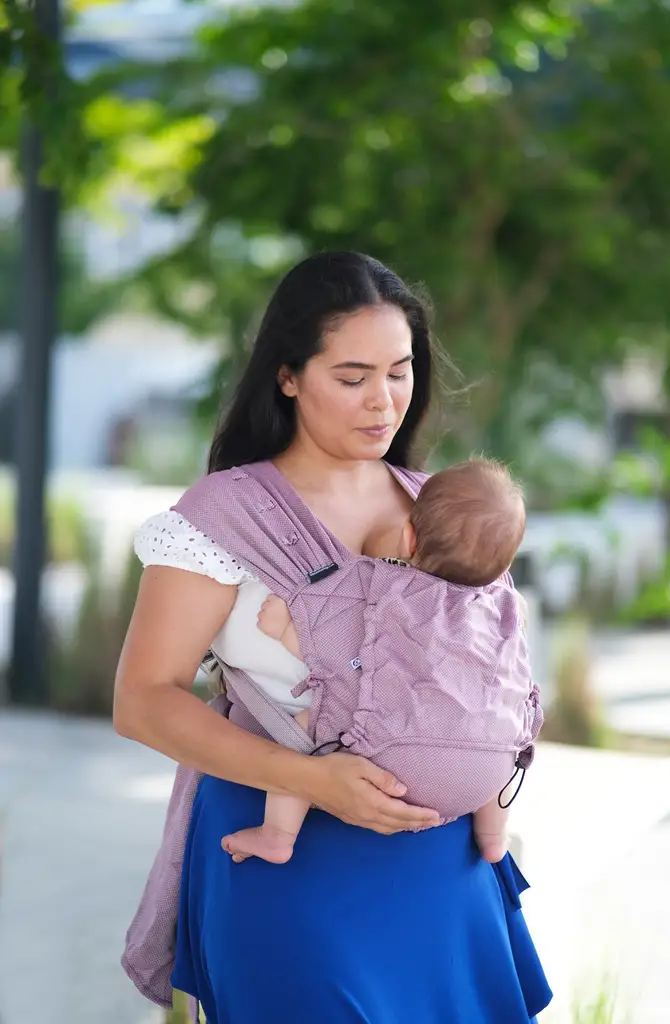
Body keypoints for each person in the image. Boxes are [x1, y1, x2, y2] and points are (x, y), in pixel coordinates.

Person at [116, 251, 552, 1024]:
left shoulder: (441, 510)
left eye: (399, 371)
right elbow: (144, 703)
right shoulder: (227, 517)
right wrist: (314, 781)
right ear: (287, 376)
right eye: (351, 378)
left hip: (437, 868)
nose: (381, 402)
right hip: (284, 859)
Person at [222, 456, 531, 867]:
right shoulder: (508, 608)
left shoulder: (384, 588)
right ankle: (493, 836)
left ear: (408, 539)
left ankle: (277, 835)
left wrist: (282, 626)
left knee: (299, 733)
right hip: (483, 776)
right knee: (498, 729)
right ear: (506, 563)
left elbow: (333, 649)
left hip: (392, 759)